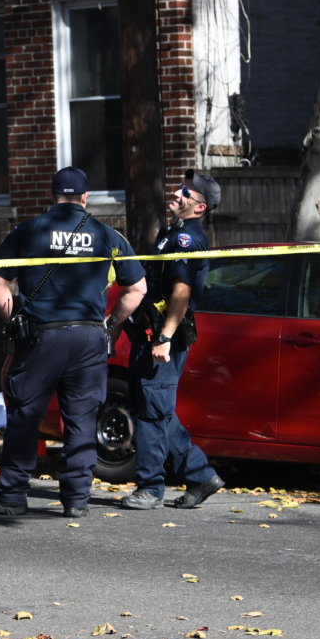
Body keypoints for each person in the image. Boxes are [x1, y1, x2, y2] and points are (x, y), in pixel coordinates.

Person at [0, 166, 147, 519]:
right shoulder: (107, 235)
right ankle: (76, 499)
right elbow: (137, 289)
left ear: (52, 195)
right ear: (85, 198)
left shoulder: (27, 231)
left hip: (41, 336)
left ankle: (11, 496)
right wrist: (110, 325)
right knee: (82, 418)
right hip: (88, 338)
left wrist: (14, 321)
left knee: (25, 416)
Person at [119, 172, 226, 511]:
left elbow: (181, 292)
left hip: (165, 337)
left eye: (186, 192)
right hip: (150, 333)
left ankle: (150, 488)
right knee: (157, 410)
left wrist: (164, 337)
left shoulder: (187, 240)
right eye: (180, 188)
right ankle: (200, 475)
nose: (177, 194)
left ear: (200, 206)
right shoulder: (172, 234)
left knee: (152, 413)